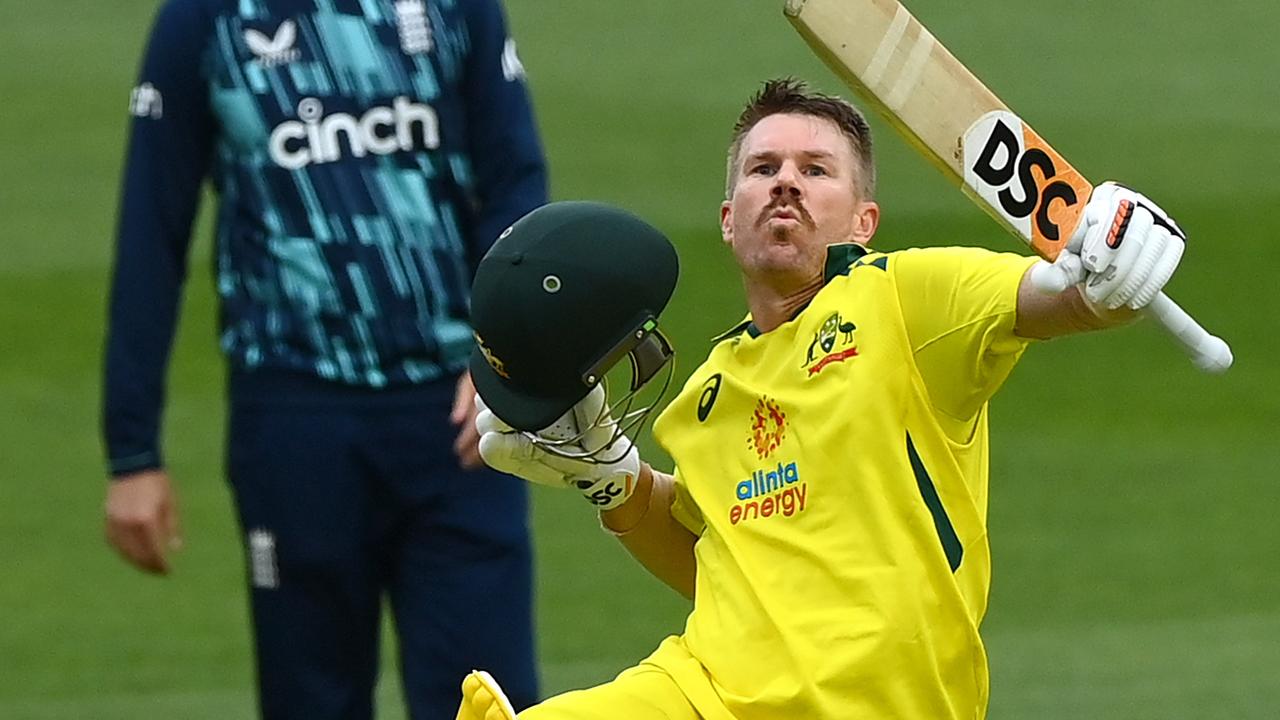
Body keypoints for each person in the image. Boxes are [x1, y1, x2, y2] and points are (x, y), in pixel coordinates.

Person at [456, 78, 1188, 720]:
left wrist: (1109, 273)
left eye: (815, 170)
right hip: (706, 693)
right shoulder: (710, 389)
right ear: (727, 218)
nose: (785, 183)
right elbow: (718, 568)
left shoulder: (905, 300)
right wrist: (611, 482)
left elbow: (1054, 300)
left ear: (863, 222)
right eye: (762, 168)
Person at [101, 1, 546, 718]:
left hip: (460, 417)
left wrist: (503, 355)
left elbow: (516, 181)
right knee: (310, 702)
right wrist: (132, 452)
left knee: (491, 700)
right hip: (294, 421)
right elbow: (152, 228)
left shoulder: (455, 7)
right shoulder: (205, 18)